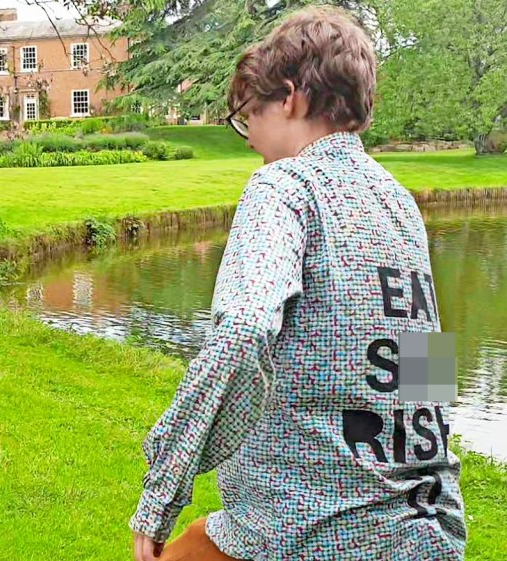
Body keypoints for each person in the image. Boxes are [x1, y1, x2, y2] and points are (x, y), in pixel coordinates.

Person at [130, 7, 466, 561]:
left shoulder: (283, 186)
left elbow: (240, 334)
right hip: (425, 526)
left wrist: (163, 490)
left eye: (248, 116)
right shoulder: (399, 203)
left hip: (306, 529)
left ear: (290, 98)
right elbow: (427, 370)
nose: (246, 139)